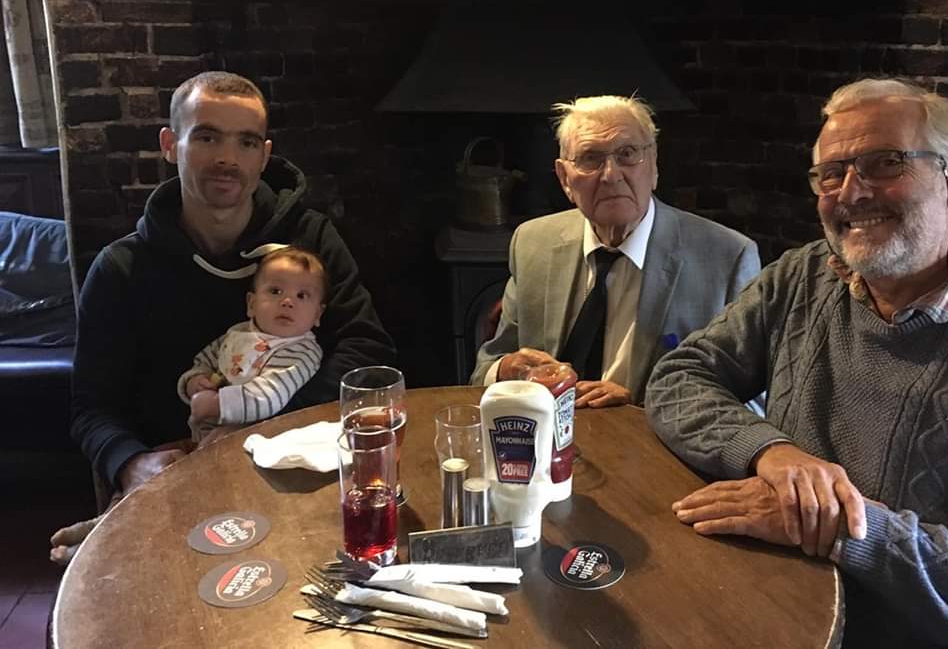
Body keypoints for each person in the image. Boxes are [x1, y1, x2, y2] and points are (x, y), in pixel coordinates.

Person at [646, 78, 948, 646]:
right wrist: (775, 455)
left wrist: (845, 528)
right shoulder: (804, 275)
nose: (850, 193)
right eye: (832, 173)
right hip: (766, 607)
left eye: (883, 163)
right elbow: (679, 377)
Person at [53, 72, 395, 563]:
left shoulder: (311, 241)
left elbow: (367, 348)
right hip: (175, 478)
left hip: (292, 462)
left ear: (265, 154)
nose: (227, 160)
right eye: (207, 136)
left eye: (246, 142)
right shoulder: (120, 268)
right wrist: (130, 465)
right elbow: (91, 406)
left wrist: (261, 432)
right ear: (171, 145)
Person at [471, 95, 760, 408]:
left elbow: (750, 407)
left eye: (627, 154)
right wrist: (507, 369)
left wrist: (640, 409)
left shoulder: (727, 257)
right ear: (565, 178)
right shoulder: (533, 242)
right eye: (590, 158)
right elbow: (486, 370)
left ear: (654, 166)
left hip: (656, 448)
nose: (610, 175)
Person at [179, 246, 327, 442]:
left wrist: (217, 404)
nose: (288, 301)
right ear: (251, 304)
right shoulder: (238, 333)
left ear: (317, 314)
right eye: (276, 291)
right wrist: (194, 381)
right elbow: (203, 360)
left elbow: (270, 395)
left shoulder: (301, 351)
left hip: (262, 439)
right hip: (204, 434)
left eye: (302, 295)